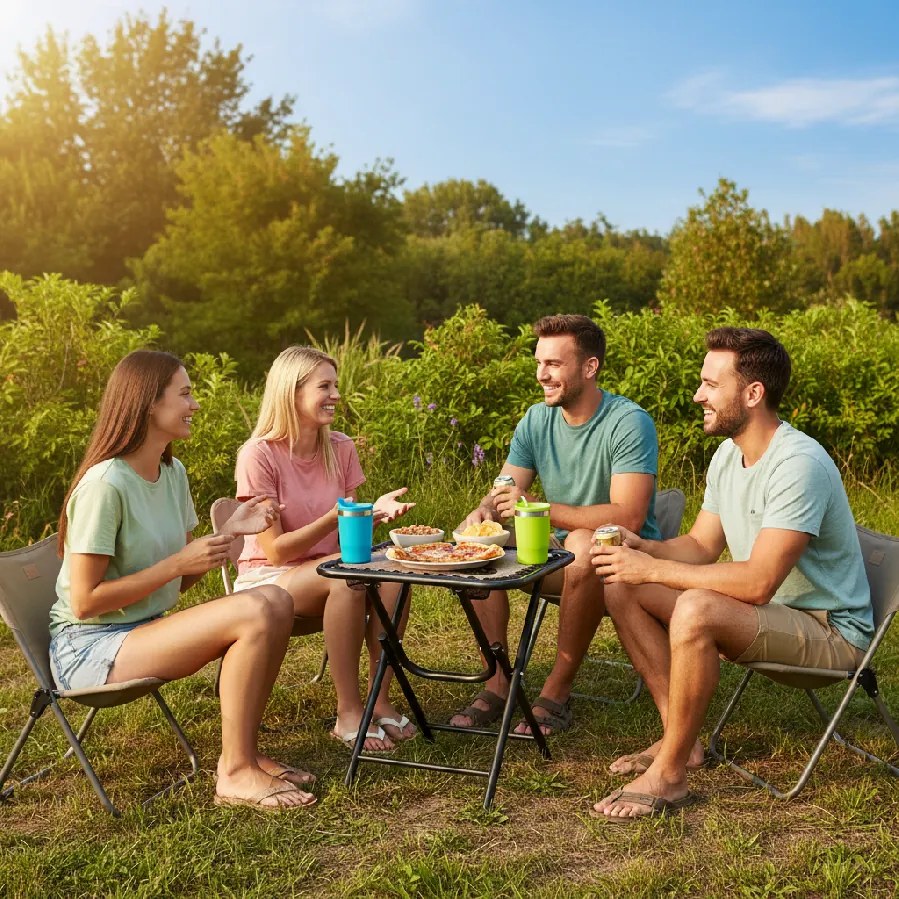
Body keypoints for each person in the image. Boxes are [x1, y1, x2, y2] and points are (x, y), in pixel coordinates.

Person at [590, 327, 874, 821]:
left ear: (753, 393)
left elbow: (758, 582)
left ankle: (669, 775)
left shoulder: (798, 463)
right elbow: (701, 546)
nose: (698, 395)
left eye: (710, 384)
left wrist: (656, 567)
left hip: (830, 631)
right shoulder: (728, 455)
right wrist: (644, 549)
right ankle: (681, 741)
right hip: (772, 616)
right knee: (622, 585)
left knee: (696, 608)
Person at [50, 350, 316, 811]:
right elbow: (85, 602)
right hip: (89, 647)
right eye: (185, 394)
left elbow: (177, 584)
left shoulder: (173, 473)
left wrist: (228, 536)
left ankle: (245, 755)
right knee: (259, 606)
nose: (195, 404)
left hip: (142, 628)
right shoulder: (105, 485)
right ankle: (235, 773)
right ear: (149, 403)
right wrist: (177, 564)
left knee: (273, 599)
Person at [451, 314, 661, 735]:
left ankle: (557, 691)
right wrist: (485, 511)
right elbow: (505, 487)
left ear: (590, 366)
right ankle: (498, 681)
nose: (541, 375)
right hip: (555, 556)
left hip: (620, 564)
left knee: (583, 543)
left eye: (553, 364)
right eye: (538, 362)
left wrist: (541, 508)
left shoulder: (628, 422)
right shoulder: (536, 419)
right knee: (477, 544)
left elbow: (628, 516)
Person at [233, 345, 416, 753]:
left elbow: (347, 536)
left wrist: (372, 513)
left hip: (329, 566)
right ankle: (348, 711)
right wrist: (334, 518)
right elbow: (276, 551)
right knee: (346, 579)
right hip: (270, 580)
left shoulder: (340, 446)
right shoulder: (258, 455)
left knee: (395, 576)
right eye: (324, 386)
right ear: (292, 391)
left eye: (335, 385)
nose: (335, 395)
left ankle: (379, 698)